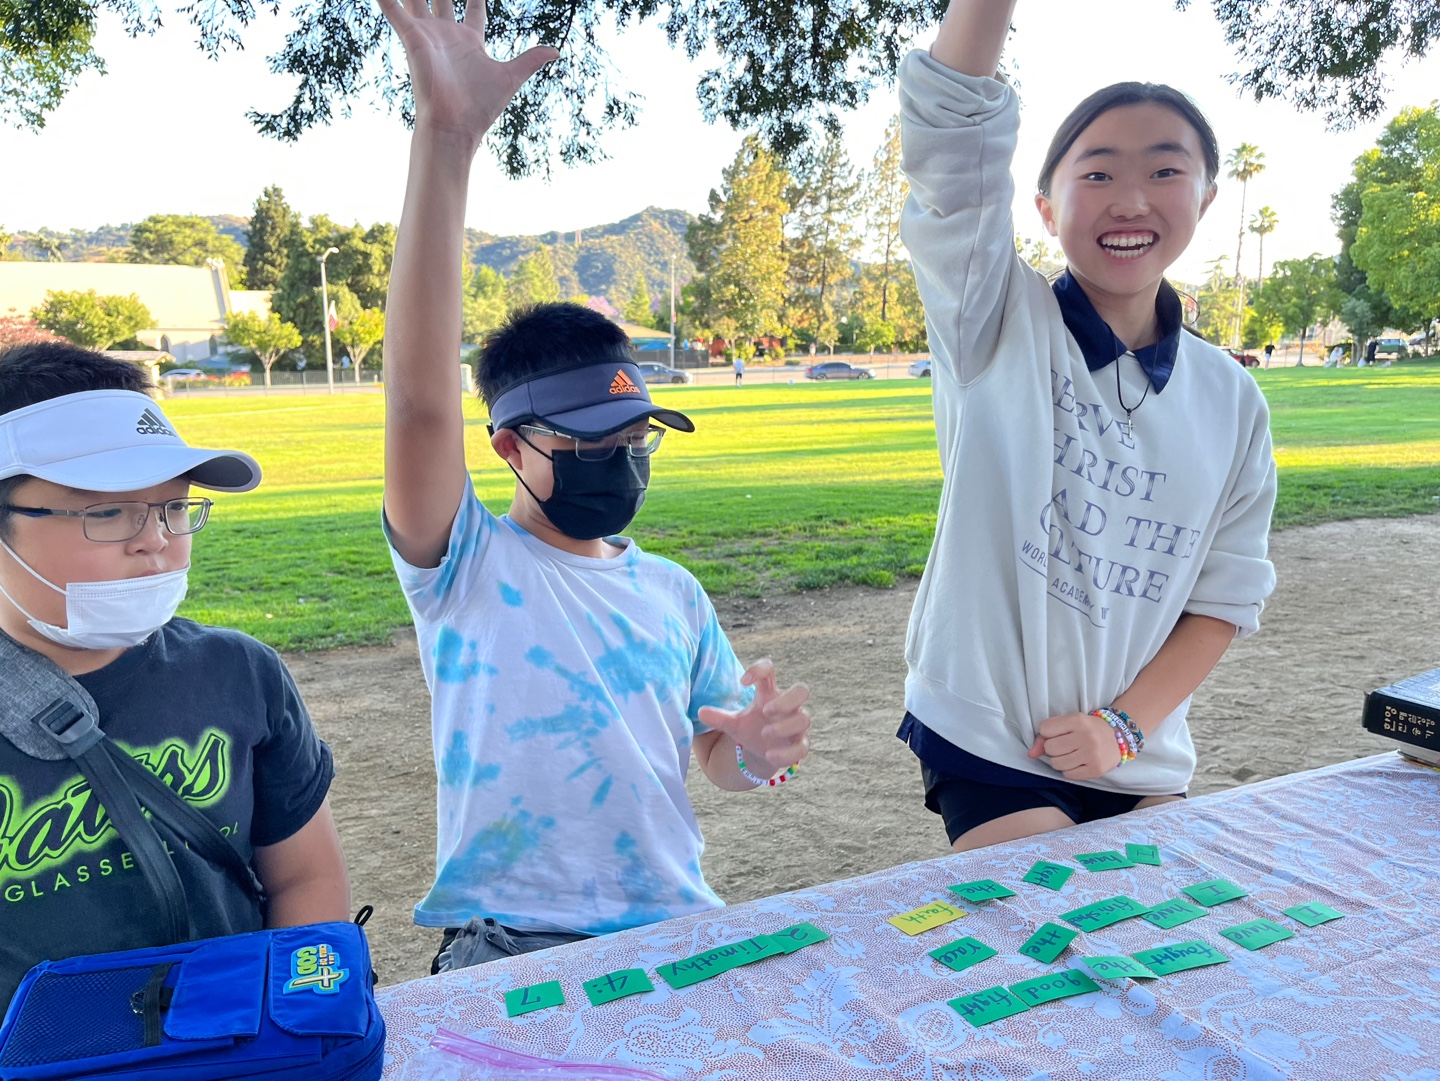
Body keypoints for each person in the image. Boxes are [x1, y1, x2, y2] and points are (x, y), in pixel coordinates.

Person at [377, 0, 811, 973]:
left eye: (637, 437)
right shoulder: (463, 566)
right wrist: (447, 140)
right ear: (508, 447)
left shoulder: (674, 594)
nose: (621, 459)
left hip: (676, 932)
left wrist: (759, 749)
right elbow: (418, 407)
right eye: (587, 442)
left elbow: (720, 760)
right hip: (512, 948)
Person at [895, 0, 1277, 852]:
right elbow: (949, 137)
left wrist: (1124, 726)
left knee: (1177, 929)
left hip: (1139, 753)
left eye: (1166, 170)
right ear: (1044, 205)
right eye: (1097, 174)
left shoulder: (1233, 399)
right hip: (993, 741)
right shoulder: (991, 316)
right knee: (1052, 925)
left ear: (1208, 196)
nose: (1131, 199)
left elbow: (1224, 599)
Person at [0, 343, 349, 1008]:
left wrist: (295, 1020)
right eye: (107, 511)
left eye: (175, 507)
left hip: (235, 1038)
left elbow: (304, 878)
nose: (155, 539)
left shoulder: (240, 673)